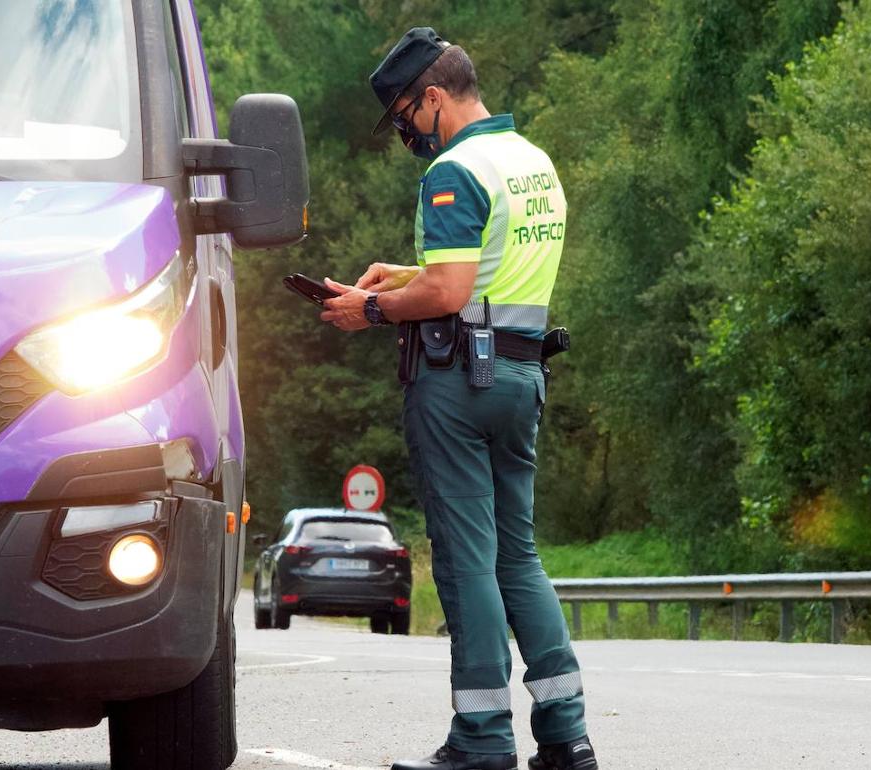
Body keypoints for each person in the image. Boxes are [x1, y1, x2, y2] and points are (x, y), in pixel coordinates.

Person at [320, 27, 599, 770]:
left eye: (407, 115)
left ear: (434, 98)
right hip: (521, 380)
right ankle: (566, 735)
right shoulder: (532, 164)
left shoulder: (452, 173)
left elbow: (449, 291)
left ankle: (481, 739)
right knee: (519, 558)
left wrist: (369, 310)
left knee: (466, 562)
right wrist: (401, 272)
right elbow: (486, 273)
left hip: (456, 386)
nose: (408, 132)